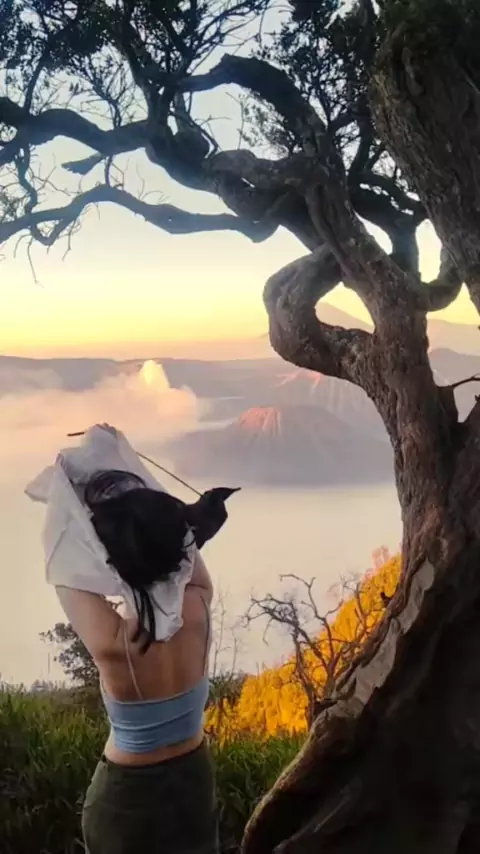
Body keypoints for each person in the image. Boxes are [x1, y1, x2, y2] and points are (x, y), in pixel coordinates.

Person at [55, 466, 218, 854]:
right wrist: (135, 485)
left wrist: (66, 485)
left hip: (126, 796)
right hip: (194, 779)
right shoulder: (199, 600)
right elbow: (182, 542)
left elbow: (62, 563)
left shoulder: (113, 644)